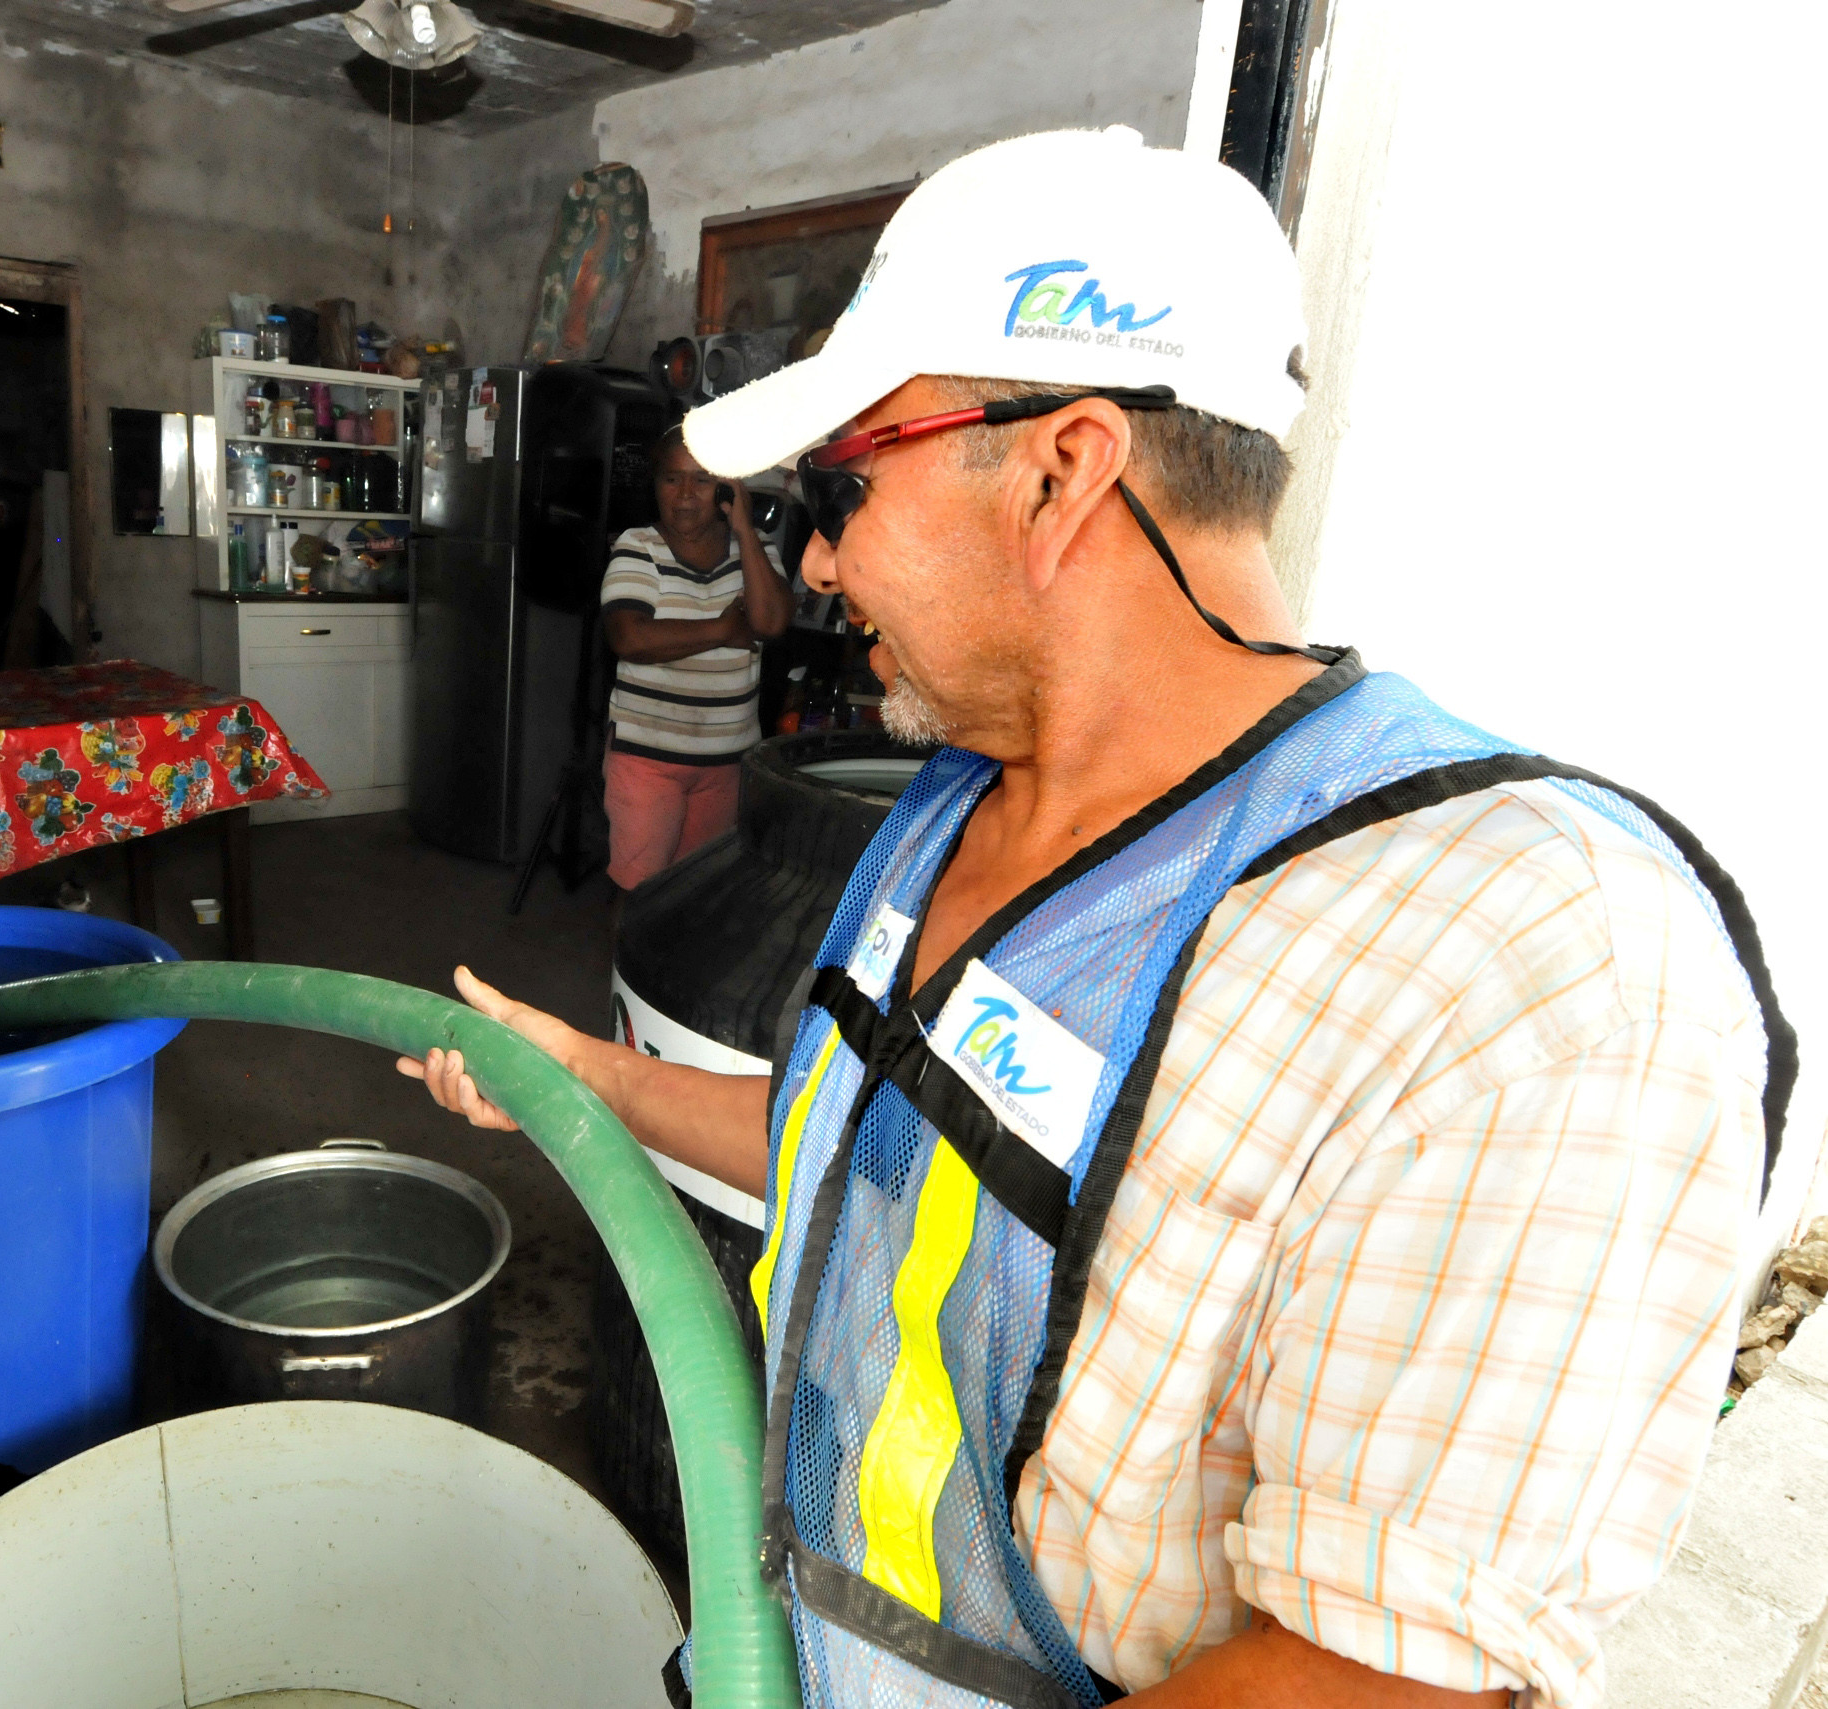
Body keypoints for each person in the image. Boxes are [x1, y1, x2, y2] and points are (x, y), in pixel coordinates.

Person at [402, 126, 1787, 1709]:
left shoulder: (1522, 965)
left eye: (843, 486)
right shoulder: (945, 809)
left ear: (1062, 469)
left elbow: (1378, 1678)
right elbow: (859, 1149)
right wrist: (583, 1074)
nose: (829, 557)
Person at [599, 428, 793, 890]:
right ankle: (625, 969)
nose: (684, 496)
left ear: (727, 490)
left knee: (699, 895)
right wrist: (724, 629)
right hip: (647, 761)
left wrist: (745, 530)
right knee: (641, 895)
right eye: (671, 480)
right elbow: (630, 638)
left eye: (702, 481)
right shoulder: (638, 546)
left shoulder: (757, 551)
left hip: (727, 762)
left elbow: (769, 624)